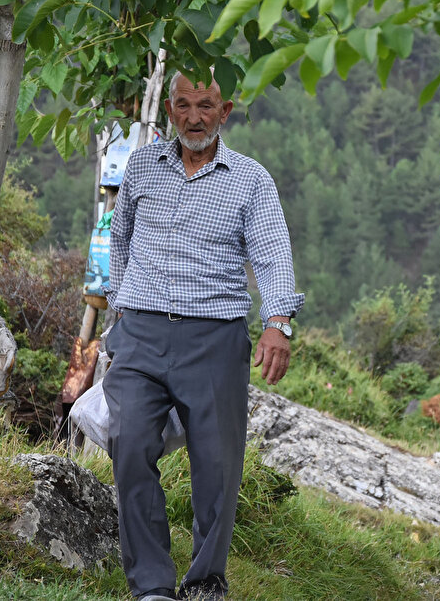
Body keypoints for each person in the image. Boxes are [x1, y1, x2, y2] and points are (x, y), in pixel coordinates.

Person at [103, 72, 304, 601]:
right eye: (184, 105)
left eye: (206, 105)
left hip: (215, 339)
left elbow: (273, 255)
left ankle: (205, 583)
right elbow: (119, 235)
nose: (194, 117)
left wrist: (277, 324)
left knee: (216, 466)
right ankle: (151, 586)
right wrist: (120, 306)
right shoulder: (143, 165)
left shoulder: (250, 180)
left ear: (226, 110)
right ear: (170, 109)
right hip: (141, 332)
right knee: (128, 445)